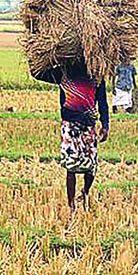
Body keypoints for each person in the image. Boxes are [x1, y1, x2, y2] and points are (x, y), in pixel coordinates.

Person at [31, 60, 109, 214]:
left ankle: (85, 192)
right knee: (71, 166)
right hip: (70, 124)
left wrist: (105, 124)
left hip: (88, 124)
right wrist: (35, 57)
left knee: (91, 166)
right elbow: (38, 73)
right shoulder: (64, 71)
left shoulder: (95, 73)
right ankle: (71, 204)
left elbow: (103, 102)